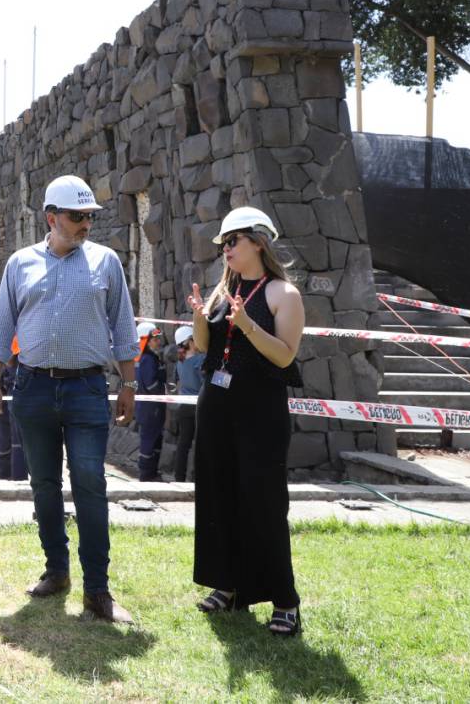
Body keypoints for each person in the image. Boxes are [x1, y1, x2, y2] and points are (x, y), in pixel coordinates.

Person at [0, 174, 139, 624]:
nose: (86, 223)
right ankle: (57, 571)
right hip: (31, 387)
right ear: (51, 217)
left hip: (87, 388)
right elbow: (2, 325)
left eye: (90, 216)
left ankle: (98, 591)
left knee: (90, 482)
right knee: (44, 484)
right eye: (77, 216)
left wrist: (128, 384)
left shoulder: (106, 263)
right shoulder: (19, 264)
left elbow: (124, 328)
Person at [187, 206, 305, 637]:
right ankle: (228, 586)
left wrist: (250, 326)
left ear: (258, 241)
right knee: (217, 496)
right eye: (223, 243)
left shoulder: (282, 294)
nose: (226, 249)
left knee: (263, 502)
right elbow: (203, 348)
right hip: (216, 404)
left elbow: (285, 354)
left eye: (233, 240)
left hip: (259, 410)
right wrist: (201, 319)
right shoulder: (223, 291)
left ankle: (285, 601)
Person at [134, 322, 167, 481]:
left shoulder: (148, 358)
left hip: (152, 406)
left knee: (155, 439)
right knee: (149, 440)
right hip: (150, 408)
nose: (158, 341)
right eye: (154, 339)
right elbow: (150, 384)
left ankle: (151, 472)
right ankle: (146, 474)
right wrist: (163, 389)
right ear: (145, 340)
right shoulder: (147, 359)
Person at [172, 325, 203, 482]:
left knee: (183, 443)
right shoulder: (201, 360)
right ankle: (197, 477)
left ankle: (179, 477)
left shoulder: (180, 362)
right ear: (190, 342)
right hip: (199, 407)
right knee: (200, 444)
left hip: (183, 406)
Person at [0, 337, 27, 481]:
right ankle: (6, 476)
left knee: (18, 433)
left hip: (19, 367)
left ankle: (17, 477)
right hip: (7, 365)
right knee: (5, 430)